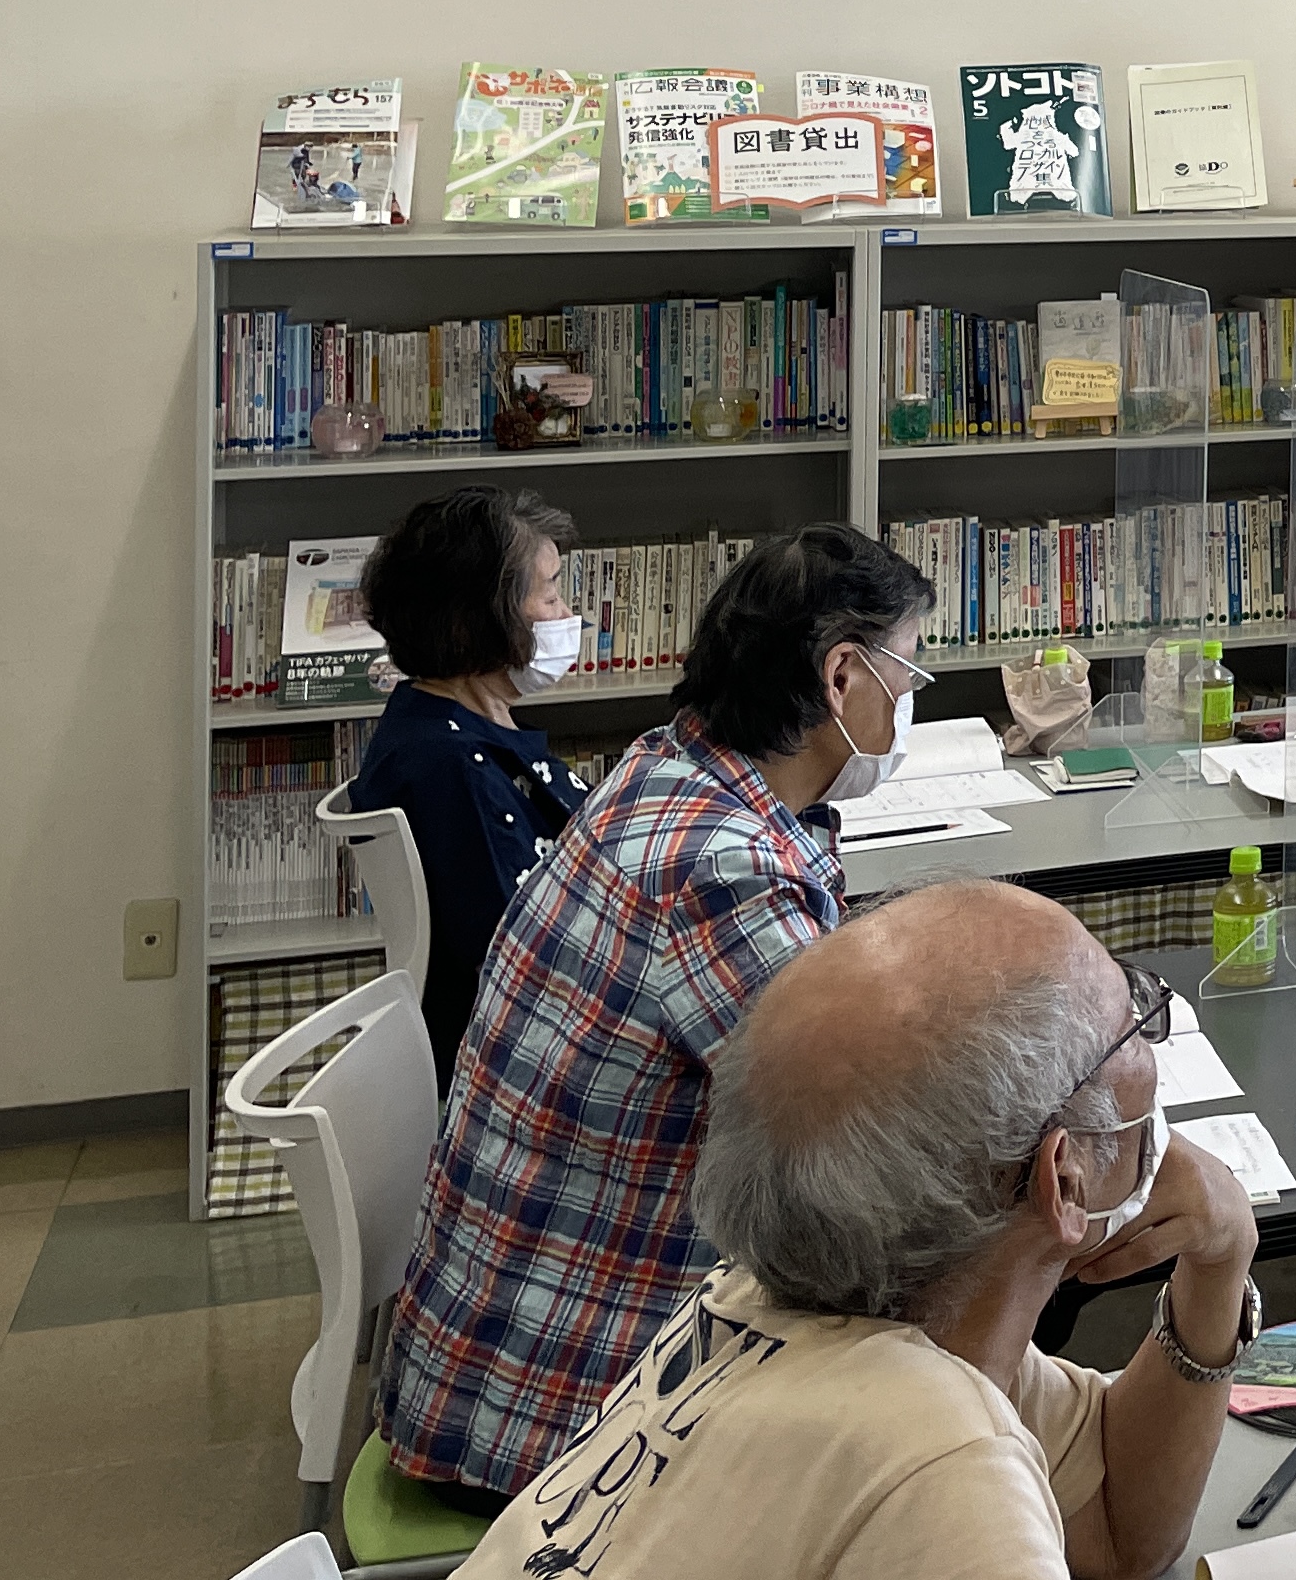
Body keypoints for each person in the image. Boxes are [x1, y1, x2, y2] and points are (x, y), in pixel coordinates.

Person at [459, 881, 1259, 1580]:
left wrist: (1219, 1263)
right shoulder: (941, 1460)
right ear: (1066, 1177)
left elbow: (1118, 1530)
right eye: (1131, 1022)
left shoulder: (769, 1302)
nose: (1147, 1035)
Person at [376, 521, 939, 1495]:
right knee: (954, 1259)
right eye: (911, 671)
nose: (911, 698)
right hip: (556, 1428)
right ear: (842, 677)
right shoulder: (723, 873)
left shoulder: (666, 766)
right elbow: (869, 1137)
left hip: (487, 1358)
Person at [349, 488, 590, 1076]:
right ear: (474, 623)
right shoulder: (452, 765)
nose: (567, 616)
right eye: (551, 596)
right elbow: (523, 955)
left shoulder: (444, 718)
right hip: (516, 1057)